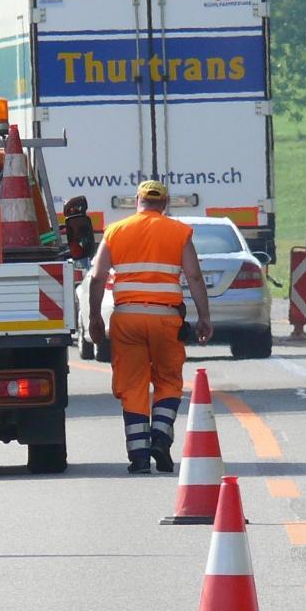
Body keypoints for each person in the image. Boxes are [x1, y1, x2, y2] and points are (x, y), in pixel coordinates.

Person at [88, 180, 213, 474]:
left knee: (133, 386)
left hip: (127, 319)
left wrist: (95, 318)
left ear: (137, 201)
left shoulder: (115, 231)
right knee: (168, 379)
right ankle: (160, 435)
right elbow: (194, 277)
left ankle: (140, 457)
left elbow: (97, 276)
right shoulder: (179, 232)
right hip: (165, 318)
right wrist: (204, 317)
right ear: (165, 203)